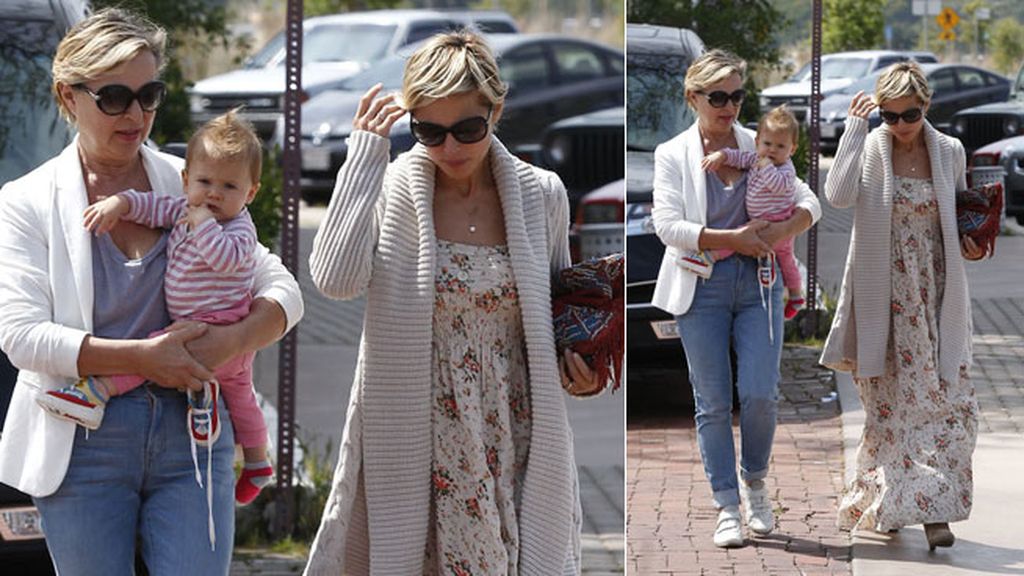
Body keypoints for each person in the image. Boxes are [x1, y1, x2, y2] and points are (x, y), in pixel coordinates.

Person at [0, 8, 303, 574]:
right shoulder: (27, 201)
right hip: (82, 444)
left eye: (150, 94)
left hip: (192, 433)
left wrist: (233, 340)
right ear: (69, 97)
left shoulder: (189, 181)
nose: (136, 113)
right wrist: (143, 358)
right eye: (114, 96)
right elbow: (22, 337)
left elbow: (281, 286)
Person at [304, 31, 599, 574]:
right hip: (415, 427)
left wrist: (580, 370)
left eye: (468, 128)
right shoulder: (391, 189)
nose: (451, 149)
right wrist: (364, 160)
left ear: (498, 108)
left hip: (513, 431)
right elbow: (333, 278)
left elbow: (560, 316)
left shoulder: (542, 195)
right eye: (429, 131)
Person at [37, 110, 275, 506]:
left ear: (250, 193)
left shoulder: (237, 229)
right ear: (186, 181)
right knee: (238, 394)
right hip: (192, 323)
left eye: (229, 186)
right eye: (204, 182)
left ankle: (96, 391)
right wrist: (119, 204)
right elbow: (151, 207)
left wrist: (202, 223)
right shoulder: (184, 208)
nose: (213, 194)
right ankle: (252, 458)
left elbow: (227, 261)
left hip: (218, 326)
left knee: (159, 353)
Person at [650, 49, 822, 548]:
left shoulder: (760, 141)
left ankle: (756, 483)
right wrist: (733, 238)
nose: (729, 105)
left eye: (737, 95)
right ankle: (726, 504)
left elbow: (808, 198)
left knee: (762, 392)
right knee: (712, 402)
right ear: (693, 97)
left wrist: (784, 228)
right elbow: (667, 226)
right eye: (718, 96)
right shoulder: (672, 154)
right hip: (700, 285)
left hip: (760, 280)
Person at [821, 61, 985, 550]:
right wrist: (855, 128)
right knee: (891, 409)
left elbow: (961, 218)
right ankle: (896, 503)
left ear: (926, 105)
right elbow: (838, 194)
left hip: (935, 293)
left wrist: (974, 245)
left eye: (909, 114)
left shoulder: (949, 151)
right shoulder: (874, 147)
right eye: (889, 116)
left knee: (949, 406)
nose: (900, 124)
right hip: (882, 297)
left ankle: (935, 509)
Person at [701, 105, 806, 320]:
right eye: (767, 144)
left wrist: (766, 165)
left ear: (792, 150)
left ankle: (796, 294)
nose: (772, 150)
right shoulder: (755, 158)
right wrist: (721, 156)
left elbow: (779, 186)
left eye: (780, 146)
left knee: (785, 260)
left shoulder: (785, 169)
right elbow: (738, 158)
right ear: (758, 141)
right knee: (744, 238)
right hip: (758, 219)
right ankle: (794, 294)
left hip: (777, 222)